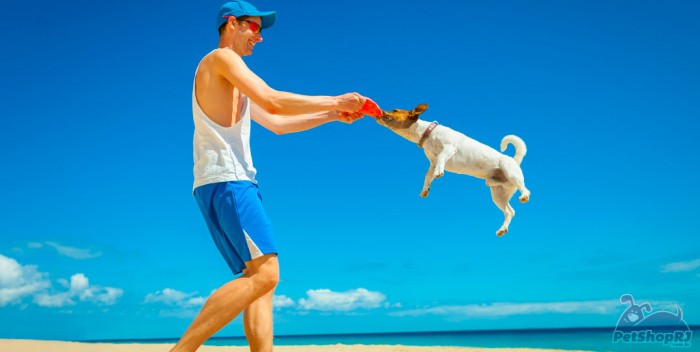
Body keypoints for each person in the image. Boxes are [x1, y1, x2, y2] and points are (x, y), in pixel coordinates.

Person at [170, 1, 367, 351]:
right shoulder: (221, 59)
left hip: (222, 183)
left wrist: (333, 115)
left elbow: (276, 124)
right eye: (255, 28)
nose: (259, 38)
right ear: (232, 23)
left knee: (260, 280)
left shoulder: (231, 79)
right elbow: (274, 100)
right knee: (266, 275)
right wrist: (334, 99)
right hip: (229, 181)